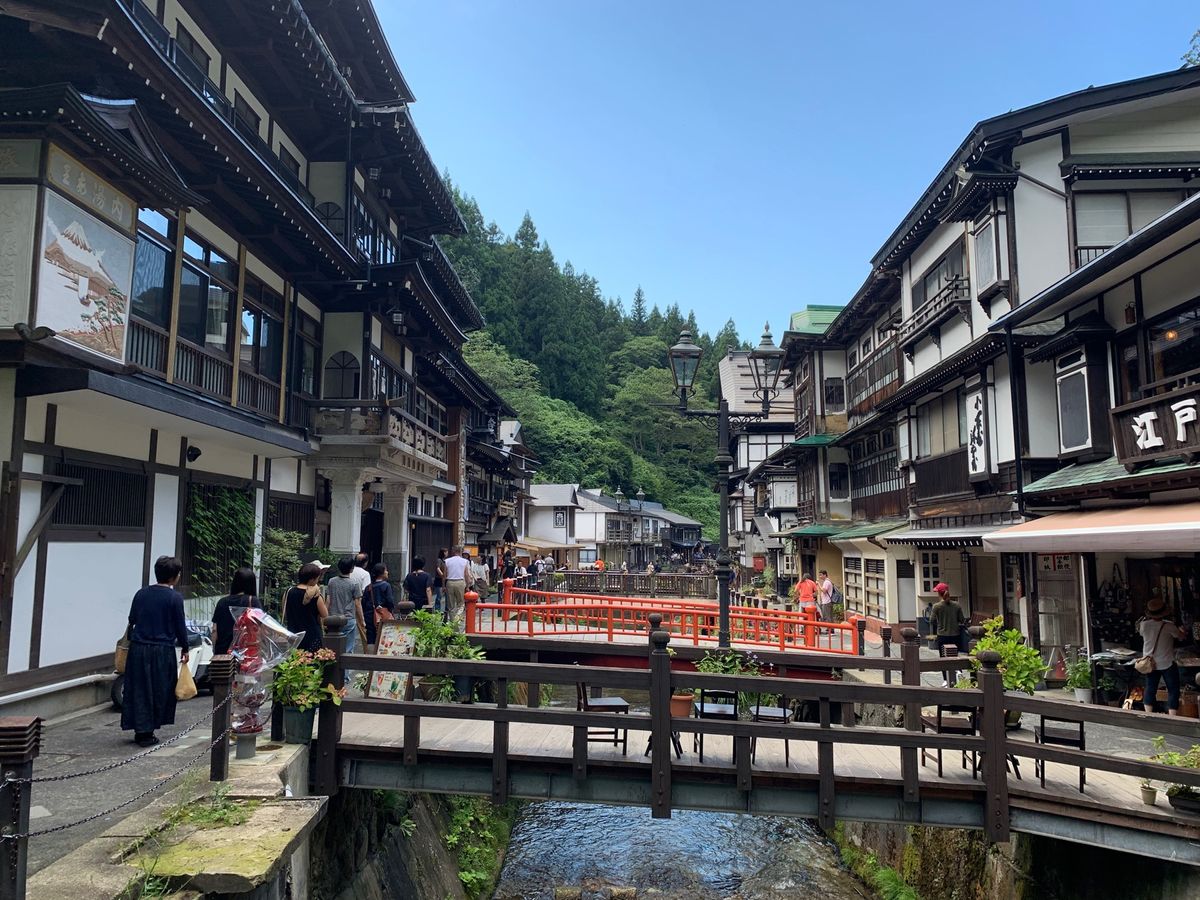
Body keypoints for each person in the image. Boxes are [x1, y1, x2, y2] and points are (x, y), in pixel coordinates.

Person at [121, 556, 190, 747]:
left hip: (138, 648)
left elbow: (132, 619)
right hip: (161, 649)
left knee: (139, 689)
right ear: (175, 577)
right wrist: (185, 647)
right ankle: (147, 730)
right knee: (159, 689)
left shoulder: (141, 594)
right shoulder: (174, 598)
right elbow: (179, 625)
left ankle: (141, 729)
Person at [1140, 598, 1188, 715]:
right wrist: (1182, 631)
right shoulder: (1169, 626)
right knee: (1173, 690)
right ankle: (1172, 717)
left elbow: (1143, 634)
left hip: (1150, 664)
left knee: (1150, 688)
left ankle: (1148, 714)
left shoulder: (1143, 625)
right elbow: (1181, 637)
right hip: (1167, 663)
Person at [211, 567, 262, 656]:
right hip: (245, 653)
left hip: (223, 652)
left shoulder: (222, 602)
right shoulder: (253, 602)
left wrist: (215, 650)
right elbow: (260, 629)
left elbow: (215, 630)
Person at [285, 562, 328, 653]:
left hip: (293, 634)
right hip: (312, 635)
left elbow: (285, 610)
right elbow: (325, 614)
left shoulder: (289, 592)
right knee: (312, 663)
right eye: (317, 578)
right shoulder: (316, 596)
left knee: (294, 663)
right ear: (312, 579)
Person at [327, 557, 366, 654]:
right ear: (352, 569)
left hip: (333, 619)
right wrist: (362, 620)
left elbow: (328, 600)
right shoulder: (354, 584)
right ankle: (345, 669)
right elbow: (357, 604)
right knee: (348, 649)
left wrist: (325, 617)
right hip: (348, 618)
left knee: (333, 648)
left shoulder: (331, 581)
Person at [363, 562, 395, 646]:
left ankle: (370, 655)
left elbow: (364, 603)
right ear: (382, 573)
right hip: (383, 615)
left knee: (371, 638)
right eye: (386, 570)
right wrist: (391, 611)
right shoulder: (386, 586)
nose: (387, 572)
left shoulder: (368, 587)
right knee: (384, 636)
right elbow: (390, 601)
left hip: (369, 616)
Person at [931, 582, 966, 656]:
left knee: (943, 657)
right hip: (955, 635)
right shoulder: (957, 605)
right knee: (954, 656)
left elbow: (932, 620)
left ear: (939, 593)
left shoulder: (936, 606)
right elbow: (962, 620)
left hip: (942, 635)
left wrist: (940, 623)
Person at [443, 545, 471, 622]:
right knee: (461, 604)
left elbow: (444, 575)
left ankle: (453, 623)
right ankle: (457, 618)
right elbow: (466, 574)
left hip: (450, 582)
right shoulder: (465, 561)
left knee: (451, 605)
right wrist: (468, 586)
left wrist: (443, 586)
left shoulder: (447, 561)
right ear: (460, 552)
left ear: (453, 551)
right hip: (460, 582)